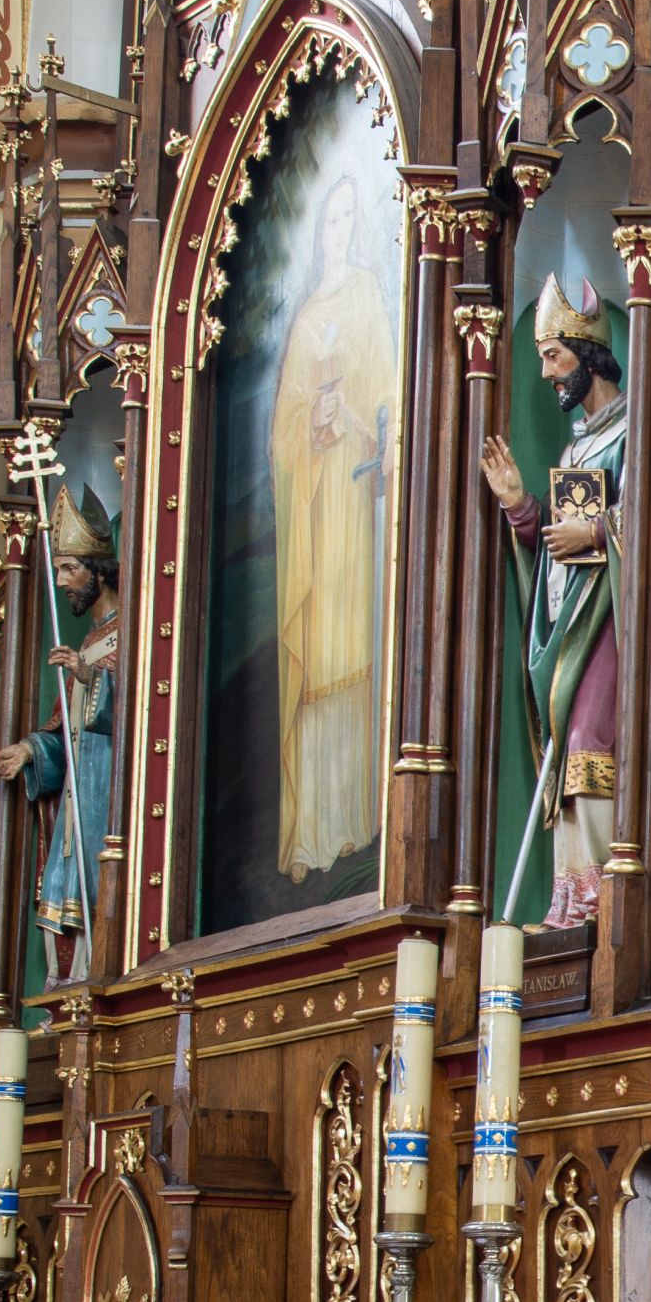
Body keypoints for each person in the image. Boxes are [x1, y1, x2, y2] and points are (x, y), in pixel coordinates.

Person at [268, 172, 399, 878]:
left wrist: (350, 413)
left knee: (355, 645)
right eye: (329, 219)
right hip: (317, 517)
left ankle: (359, 820)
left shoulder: (371, 297)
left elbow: (391, 402)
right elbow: (280, 435)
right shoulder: (303, 321)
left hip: (356, 506)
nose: (337, 230)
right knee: (316, 654)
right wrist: (309, 423)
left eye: (349, 217)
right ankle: (315, 832)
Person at [482, 284, 625, 924]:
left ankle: (601, 896)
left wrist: (595, 532)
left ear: (588, 355)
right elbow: (557, 556)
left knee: (590, 742)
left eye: (553, 356)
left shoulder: (636, 430)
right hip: (573, 623)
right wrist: (521, 507)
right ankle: (571, 896)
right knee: (567, 750)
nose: (545, 373)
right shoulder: (573, 450)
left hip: (612, 622)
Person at [0, 485, 117, 982]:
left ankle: (90, 981)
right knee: (62, 889)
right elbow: (65, 736)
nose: (63, 581)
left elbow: (141, 717)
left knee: (95, 887)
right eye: (59, 569)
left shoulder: (131, 633)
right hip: (75, 801)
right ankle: (65, 990)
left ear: (99, 572)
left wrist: (92, 678)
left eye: (70, 569)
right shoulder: (86, 642)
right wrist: (30, 750)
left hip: (107, 799)